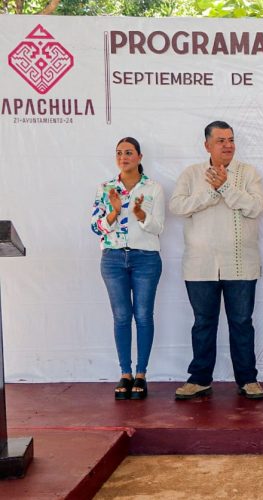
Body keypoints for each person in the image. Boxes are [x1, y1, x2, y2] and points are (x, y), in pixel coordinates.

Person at [170, 121, 263, 400]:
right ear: (207, 145)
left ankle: (248, 379)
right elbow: (178, 206)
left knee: (241, 321)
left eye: (231, 140)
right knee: (203, 322)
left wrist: (225, 188)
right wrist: (212, 193)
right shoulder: (191, 174)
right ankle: (200, 378)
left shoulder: (248, 173)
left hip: (240, 262)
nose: (228, 145)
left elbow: (256, 207)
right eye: (221, 140)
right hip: (200, 265)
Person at [90, 137, 164, 400]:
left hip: (145, 258)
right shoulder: (106, 188)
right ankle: (125, 373)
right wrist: (114, 211)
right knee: (121, 316)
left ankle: (141, 374)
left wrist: (142, 215)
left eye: (129, 152)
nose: (124, 157)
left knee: (143, 315)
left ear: (140, 157)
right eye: (119, 152)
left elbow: (159, 228)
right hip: (112, 258)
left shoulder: (153, 188)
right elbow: (95, 226)